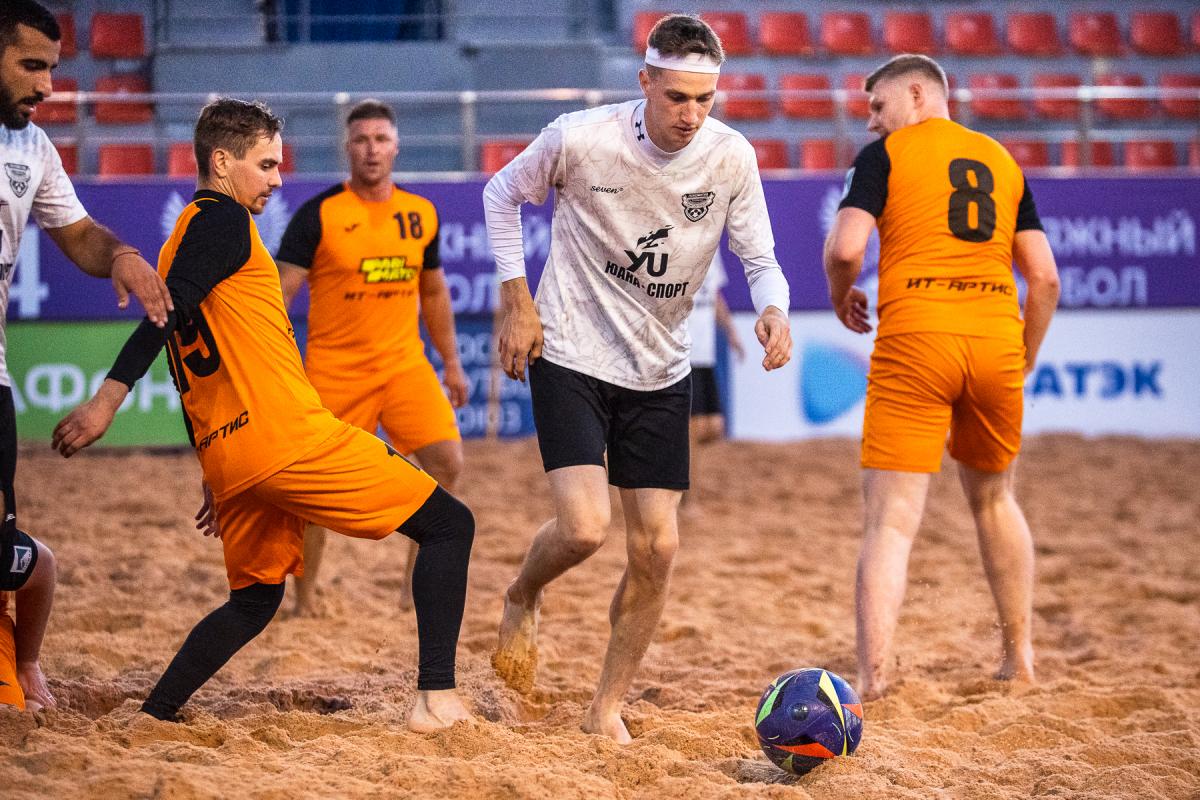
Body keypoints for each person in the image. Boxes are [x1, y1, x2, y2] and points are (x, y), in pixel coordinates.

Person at [50, 98, 475, 732]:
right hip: (289, 438)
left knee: (253, 601)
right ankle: (436, 698)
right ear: (222, 163)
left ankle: (156, 714)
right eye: (267, 164)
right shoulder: (222, 220)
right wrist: (107, 398)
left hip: (234, 451)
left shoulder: (179, 240)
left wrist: (213, 468)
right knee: (450, 525)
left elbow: (191, 367)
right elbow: (163, 317)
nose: (277, 179)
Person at [483, 14, 792, 743]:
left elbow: (761, 258)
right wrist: (517, 300)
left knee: (657, 549)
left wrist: (774, 308)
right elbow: (500, 195)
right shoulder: (580, 138)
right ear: (645, 81)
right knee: (585, 530)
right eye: (677, 96)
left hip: (660, 365)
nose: (691, 114)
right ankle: (523, 592)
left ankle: (605, 708)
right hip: (570, 350)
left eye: (705, 99)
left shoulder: (730, 156)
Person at [823, 54, 1061, 700]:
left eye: (878, 106)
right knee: (996, 501)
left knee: (891, 521)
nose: (871, 122)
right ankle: (1019, 659)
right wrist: (1024, 354)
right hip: (994, 340)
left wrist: (841, 296)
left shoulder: (885, 157)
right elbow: (1044, 278)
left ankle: (875, 678)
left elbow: (845, 247)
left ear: (917, 94)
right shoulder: (1003, 162)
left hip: (916, 338)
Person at [0, 0, 172, 714]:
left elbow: (78, 235)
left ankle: (21, 666)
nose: (47, 86)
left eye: (52, 69)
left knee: (7, 549)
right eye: (30, 66)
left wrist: (122, 255)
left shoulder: (33, 149)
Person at [276, 99, 467, 617]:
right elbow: (278, 295)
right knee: (315, 492)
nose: (372, 149)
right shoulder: (318, 214)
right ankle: (305, 599)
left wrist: (451, 362)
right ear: (348, 148)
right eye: (361, 140)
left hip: (404, 367)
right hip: (334, 372)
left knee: (447, 464)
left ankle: (413, 589)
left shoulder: (420, 213)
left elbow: (433, 293)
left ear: (396, 146)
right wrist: (275, 367)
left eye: (381, 139)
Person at [685, 251, 743, 505]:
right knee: (692, 428)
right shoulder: (671, 243)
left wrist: (731, 332)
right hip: (682, 351)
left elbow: (714, 295)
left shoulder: (712, 250)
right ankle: (688, 499)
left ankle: (668, 465)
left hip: (704, 352)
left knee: (713, 427)